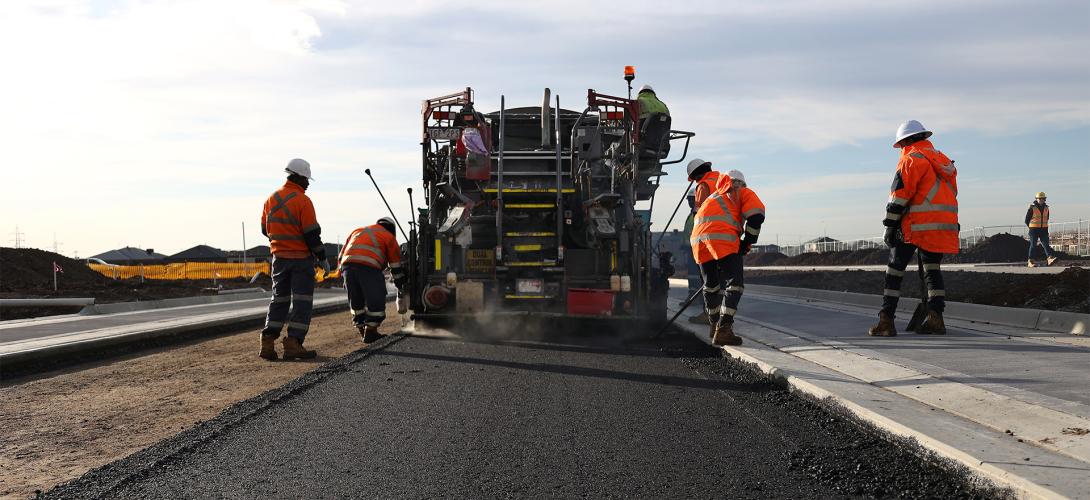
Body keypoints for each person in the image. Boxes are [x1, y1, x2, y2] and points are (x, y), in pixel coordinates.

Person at [868, 120, 959, 337]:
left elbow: (900, 196)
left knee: (894, 271)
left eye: (901, 145)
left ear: (907, 141)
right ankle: (936, 318)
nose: (901, 150)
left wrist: (890, 224)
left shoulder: (912, 159)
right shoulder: (944, 161)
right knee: (932, 272)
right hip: (942, 226)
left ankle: (886, 321)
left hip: (914, 226)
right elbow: (950, 194)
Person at [259, 158, 329, 360]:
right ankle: (293, 344)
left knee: (278, 300)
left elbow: (265, 230)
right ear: (299, 178)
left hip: (278, 259)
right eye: (307, 180)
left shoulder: (270, 199)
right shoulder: (303, 201)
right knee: (302, 302)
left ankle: (268, 342)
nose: (308, 184)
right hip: (300, 259)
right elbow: (311, 234)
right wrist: (322, 257)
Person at [690, 169, 765, 346]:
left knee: (711, 285)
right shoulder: (741, 191)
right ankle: (724, 329)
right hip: (722, 237)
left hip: (698, 241)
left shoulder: (713, 197)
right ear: (741, 183)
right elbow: (756, 216)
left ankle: (714, 325)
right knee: (735, 283)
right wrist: (747, 242)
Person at [338, 217, 405, 343]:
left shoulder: (357, 231)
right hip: (368, 268)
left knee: (356, 301)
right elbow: (395, 267)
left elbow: (341, 255)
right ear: (392, 229)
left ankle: (362, 331)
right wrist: (400, 285)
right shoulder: (389, 237)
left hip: (347, 267)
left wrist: (343, 275)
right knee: (376, 300)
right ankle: (370, 332)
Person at [1025, 192, 1057, 267]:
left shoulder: (1046, 208)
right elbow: (1027, 220)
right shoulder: (1032, 208)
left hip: (1044, 230)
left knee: (1046, 245)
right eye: (1040, 198)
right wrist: (1031, 227)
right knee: (1033, 245)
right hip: (1034, 230)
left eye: (1043, 198)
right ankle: (1030, 261)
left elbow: (1047, 218)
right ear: (1036, 199)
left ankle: (1049, 259)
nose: (1041, 200)